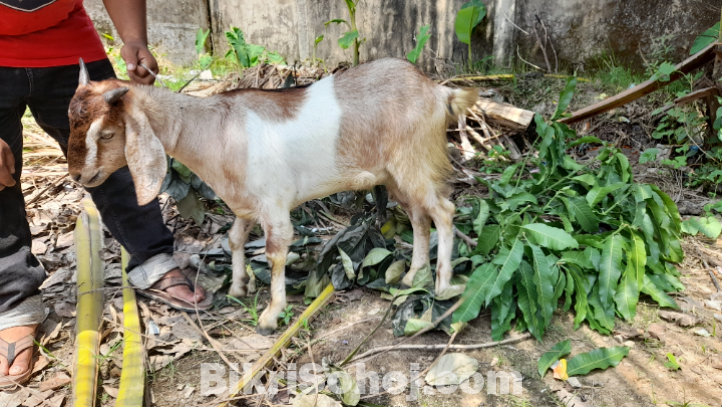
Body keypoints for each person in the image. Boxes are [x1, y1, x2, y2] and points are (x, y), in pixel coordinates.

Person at [0, 0, 210, 388]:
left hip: (65, 42)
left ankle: (152, 255)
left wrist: (133, 37)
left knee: (114, 156)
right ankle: (13, 302)